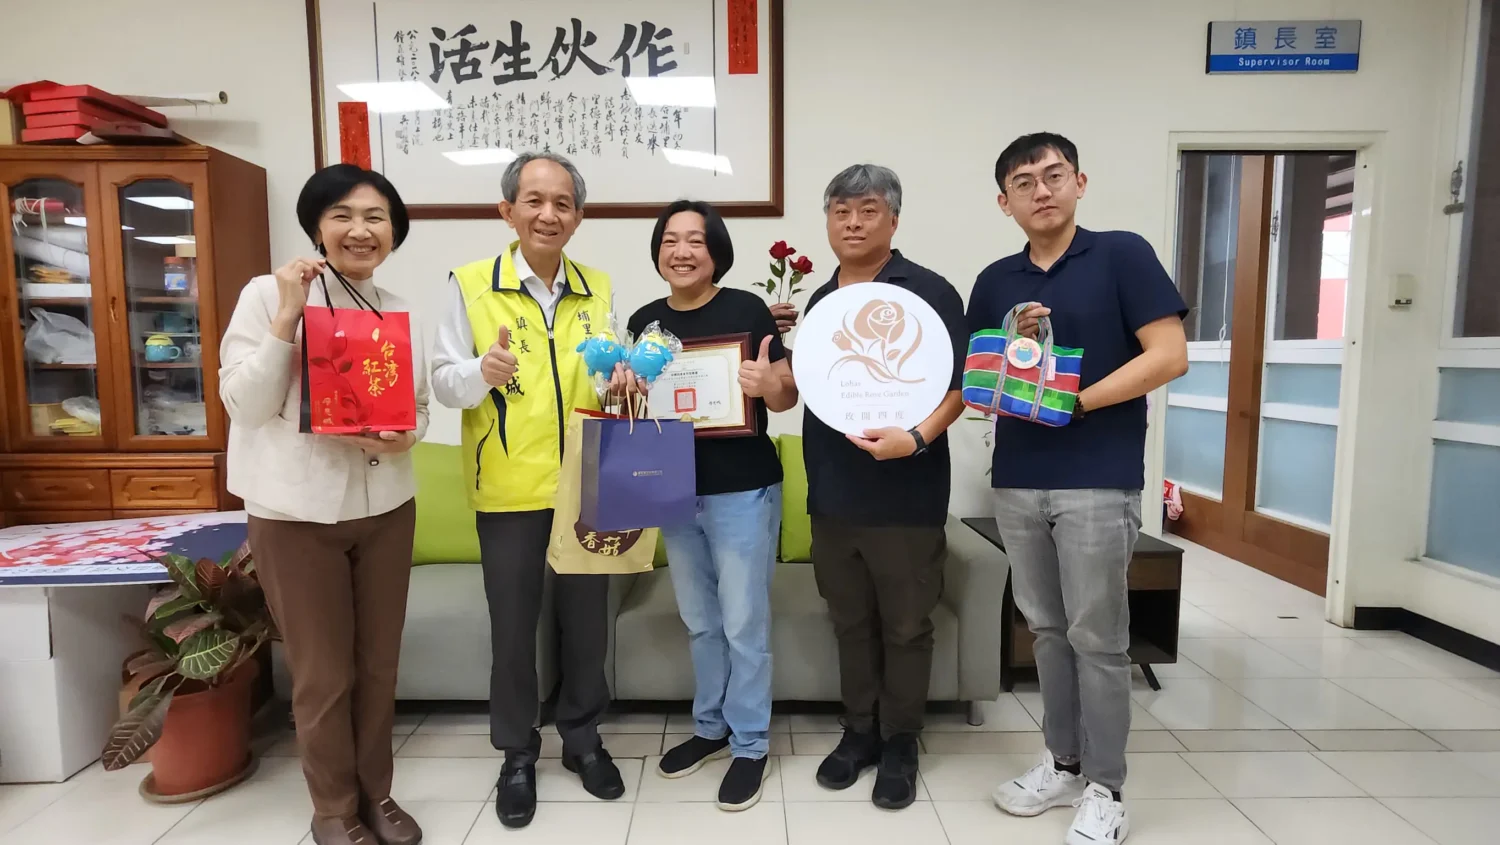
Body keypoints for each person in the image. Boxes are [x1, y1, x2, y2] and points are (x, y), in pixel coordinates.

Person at [971, 133, 1188, 845]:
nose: (1041, 190)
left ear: (1079, 182)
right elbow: (983, 378)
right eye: (1023, 182)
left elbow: (1169, 355)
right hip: (1018, 477)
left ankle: (1107, 786)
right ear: (1004, 202)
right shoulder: (996, 280)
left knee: (1098, 637)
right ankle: (1063, 763)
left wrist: (1078, 402)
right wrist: (1010, 343)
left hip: (1097, 477)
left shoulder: (1122, 254)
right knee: (1045, 629)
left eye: (1054, 174)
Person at [220, 164, 428, 845]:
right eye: (343, 215)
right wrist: (287, 315)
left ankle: (377, 794)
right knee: (322, 672)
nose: (360, 230)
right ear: (316, 225)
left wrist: (407, 436)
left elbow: (418, 407)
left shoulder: (397, 307)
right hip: (296, 514)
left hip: (386, 505)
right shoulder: (266, 295)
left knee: (378, 665)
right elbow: (244, 404)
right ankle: (333, 807)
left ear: (393, 231)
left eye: (375, 217)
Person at [430, 151, 622, 830]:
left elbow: (605, 375)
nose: (548, 214)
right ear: (507, 210)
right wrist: (479, 371)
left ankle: (583, 739)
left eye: (563, 203)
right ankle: (517, 753)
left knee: (587, 624)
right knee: (514, 629)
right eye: (534, 200)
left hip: (588, 483)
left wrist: (623, 381)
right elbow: (442, 382)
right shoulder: (471, 284)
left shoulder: (598, 287)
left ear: (578, 216)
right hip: (509, 486)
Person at [798, 164, 967, 810]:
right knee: (848, 622)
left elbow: (960, 387)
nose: (853, 223)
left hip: (906, 495)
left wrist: (917, 439)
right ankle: (859, 732)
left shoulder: (928, 292)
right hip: (832, 495)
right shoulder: (822, 301)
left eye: (867, 211)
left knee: (905, 625)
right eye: (840, 212)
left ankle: (901, 741)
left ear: (893, 220)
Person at [620, 200, 798, 811]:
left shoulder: (746, 309)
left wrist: (769, 385)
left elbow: (785, 395)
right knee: (700, 620)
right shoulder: (643, 323)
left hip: (742, 487)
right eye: (670, 240)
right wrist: (622, 392)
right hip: (673, 488)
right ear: (658, 252)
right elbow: (634, 413)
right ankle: (710, 727)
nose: (682, 251)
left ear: (715, 251)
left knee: (744, 622)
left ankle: (750, 744)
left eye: (696, 240)